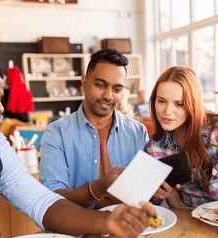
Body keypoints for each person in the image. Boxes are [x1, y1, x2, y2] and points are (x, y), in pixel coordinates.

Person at [0, 46, 156, 238]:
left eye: (0, 97)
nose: (1, 107)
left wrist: (107, 221)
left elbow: (41, 201)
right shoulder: (57, 132)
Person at [39, 48, 149, 209]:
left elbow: (145, 192)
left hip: (131, 228)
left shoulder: (138, 132)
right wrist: (97, 188)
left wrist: (156, 193)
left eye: (117, 89)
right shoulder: (57, 133)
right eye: (100, 85)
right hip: (79, 232)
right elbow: (53, 198)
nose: (108, 95)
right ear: (84, 83)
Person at [146, 66, 218, 208]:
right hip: (190, 220)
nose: (167, 111)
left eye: (179, 104)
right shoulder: (155, 146)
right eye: (161, 101)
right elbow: (176, 204)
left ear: (192, 104)